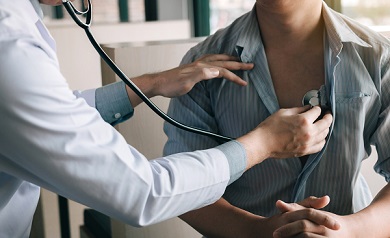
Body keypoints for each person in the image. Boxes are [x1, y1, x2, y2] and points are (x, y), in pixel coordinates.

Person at [0, 0, 337, 237]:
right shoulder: (9, 45)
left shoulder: (373, 55)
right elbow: (142, 192)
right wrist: (263, 143)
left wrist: (151, 85)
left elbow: (51, 116)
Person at [163, 0, 390, 237]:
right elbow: (184, 188)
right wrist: (258, 231)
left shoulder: (379, 57)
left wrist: (349, 232)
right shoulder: (201, 64)